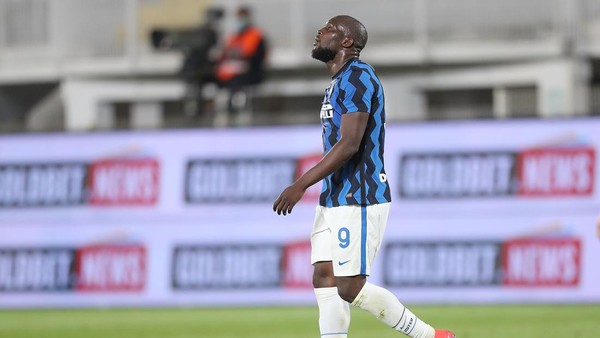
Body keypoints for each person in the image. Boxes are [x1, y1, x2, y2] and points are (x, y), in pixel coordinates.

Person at [273, 15, 456, 338]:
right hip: (335, 197)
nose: (320, 31)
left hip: (360, 196)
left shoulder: (359, 77)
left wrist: (301, 184)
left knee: (349, 287)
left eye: (329, 28)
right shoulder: (337, 82)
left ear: (346, 42)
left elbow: (350, 144)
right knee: (324, 276)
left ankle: (431, 336)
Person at [214, 5, 267, 124]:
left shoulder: (256, 36)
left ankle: (236, 107)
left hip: (252, 72)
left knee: (236, 81)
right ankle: (225, 108)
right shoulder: (234, 36)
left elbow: (259, 57)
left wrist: (244, 58)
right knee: (221, 77)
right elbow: (226, 53)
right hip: (234, 71)